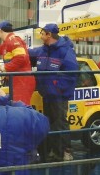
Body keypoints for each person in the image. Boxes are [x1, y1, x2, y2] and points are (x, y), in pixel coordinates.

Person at [28, 23, 78, 162]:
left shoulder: (65, 51)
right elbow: (24, 53)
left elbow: (72, 73)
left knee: (60, 122)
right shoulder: (42, 50)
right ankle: (53, 151)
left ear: (49, 35)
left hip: (59, 95)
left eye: (42, 33)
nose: (40, 35)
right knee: (49, 122)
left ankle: (65, 152)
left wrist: (57, 87)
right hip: (47, 94)